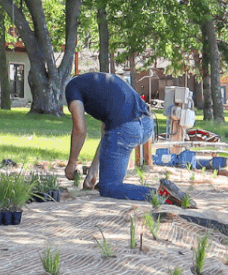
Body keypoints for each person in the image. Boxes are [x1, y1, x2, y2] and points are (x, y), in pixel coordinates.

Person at [63, 71, 159, 201]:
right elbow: (107, 134)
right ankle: (102, 178)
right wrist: (93, 171)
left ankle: (159, 195)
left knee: (109, 187)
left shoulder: (72, 87)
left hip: (127, 129)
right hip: (147, 125)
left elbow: (79, 130)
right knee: (110, 175)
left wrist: (72, 163)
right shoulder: (98, 85)